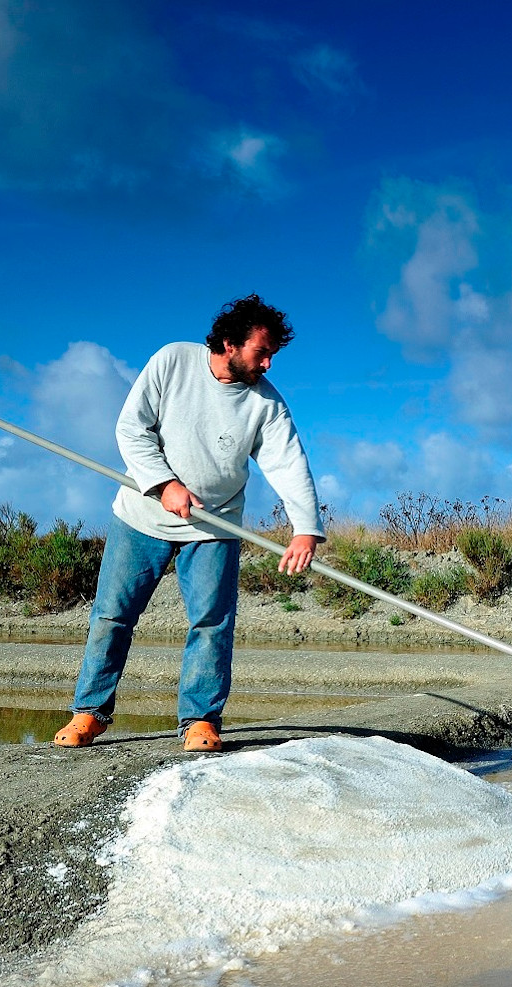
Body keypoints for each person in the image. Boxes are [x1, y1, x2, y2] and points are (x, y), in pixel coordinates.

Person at [53, 294, 324, 754]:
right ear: (228, 343)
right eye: (262, 352)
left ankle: (200, 721)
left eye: (273, 354)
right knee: (113, 615)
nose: (268, 364)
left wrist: (306, 528)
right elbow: (131, 428)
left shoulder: (267, 405)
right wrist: (163, 485)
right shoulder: (172, 361)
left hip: (215, 524)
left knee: (212, 623)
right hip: (142, 514)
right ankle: (89, 713)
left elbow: (287, 463)